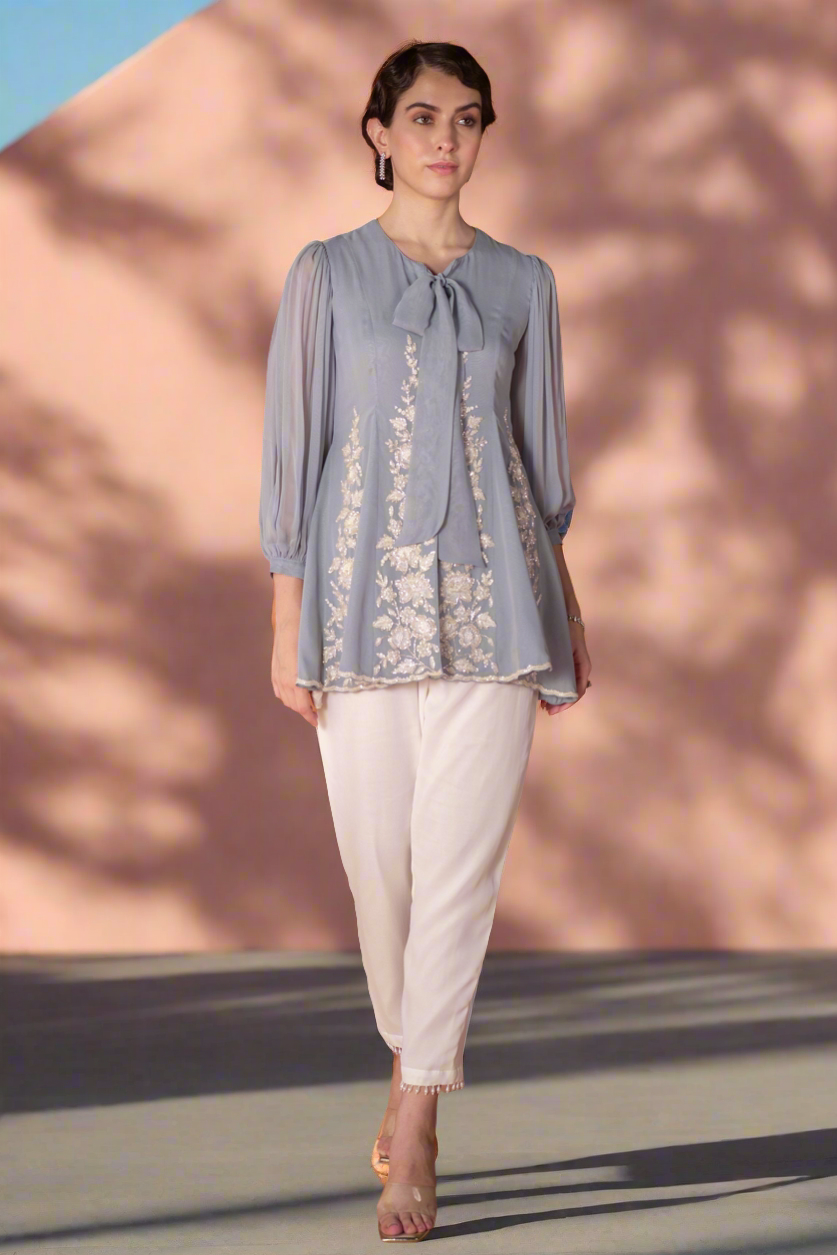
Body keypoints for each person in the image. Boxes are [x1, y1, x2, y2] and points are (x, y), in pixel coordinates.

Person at [260, 39, 592, 1243]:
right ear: (380, 134)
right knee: (382, 876)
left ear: (485, 134)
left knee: (461, 870)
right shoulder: (326, 275)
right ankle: (418, 1059)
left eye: (466, 118)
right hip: (356, 612)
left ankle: (415, 1121)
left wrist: (568, 610)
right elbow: (296, 453)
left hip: (501, 608)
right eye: (421, 117)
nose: (445, 139)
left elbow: (540, 464)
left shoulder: (524, 283)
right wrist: (287, 623)